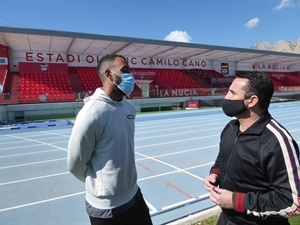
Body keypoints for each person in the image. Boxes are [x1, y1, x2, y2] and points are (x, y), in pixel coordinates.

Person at [204, 71, 300, 225]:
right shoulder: (230, 128)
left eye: (232, 92)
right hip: (226, 219)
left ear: (252, 101)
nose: (226, 97)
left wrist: (236, 201)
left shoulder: (277, 141)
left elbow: (293, 202)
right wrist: (215, 173)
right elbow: (222, 157)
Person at [67, 54, 152, 225]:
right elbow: (75, 164)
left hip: (134, 196)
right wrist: (102, 185)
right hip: (106, 209)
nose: (130, 76)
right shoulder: (92, 113)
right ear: (109, 74)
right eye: (125, 70)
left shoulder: (128, 107)